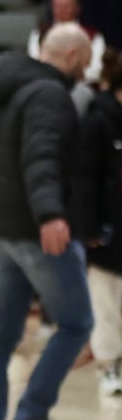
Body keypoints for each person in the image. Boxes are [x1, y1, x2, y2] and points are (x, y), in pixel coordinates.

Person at [0, 22, 94, 420]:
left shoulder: (9, 86)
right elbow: (39, 158)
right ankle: (32, 418)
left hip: (1, 228)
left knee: (3, 332)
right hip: (32, 229)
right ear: (73, 56)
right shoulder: (49, 94)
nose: (88, 65)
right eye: (85, 57)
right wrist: (51, 214)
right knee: (77, 322)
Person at [72, 49, 122, 398]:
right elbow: (85, 179)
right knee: (105, 301)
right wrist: (88, 227)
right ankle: (109, 365)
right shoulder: (99, 119)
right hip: (106, 229)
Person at [29, 0, 107, 86]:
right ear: (52, 7)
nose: (62, 10)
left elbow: (96, 70)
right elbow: (35, 64)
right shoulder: (40, 33)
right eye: (58, 5)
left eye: (66, 6)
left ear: (77, 7)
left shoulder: (92, 35)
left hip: (82, 88)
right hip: (48, 87)